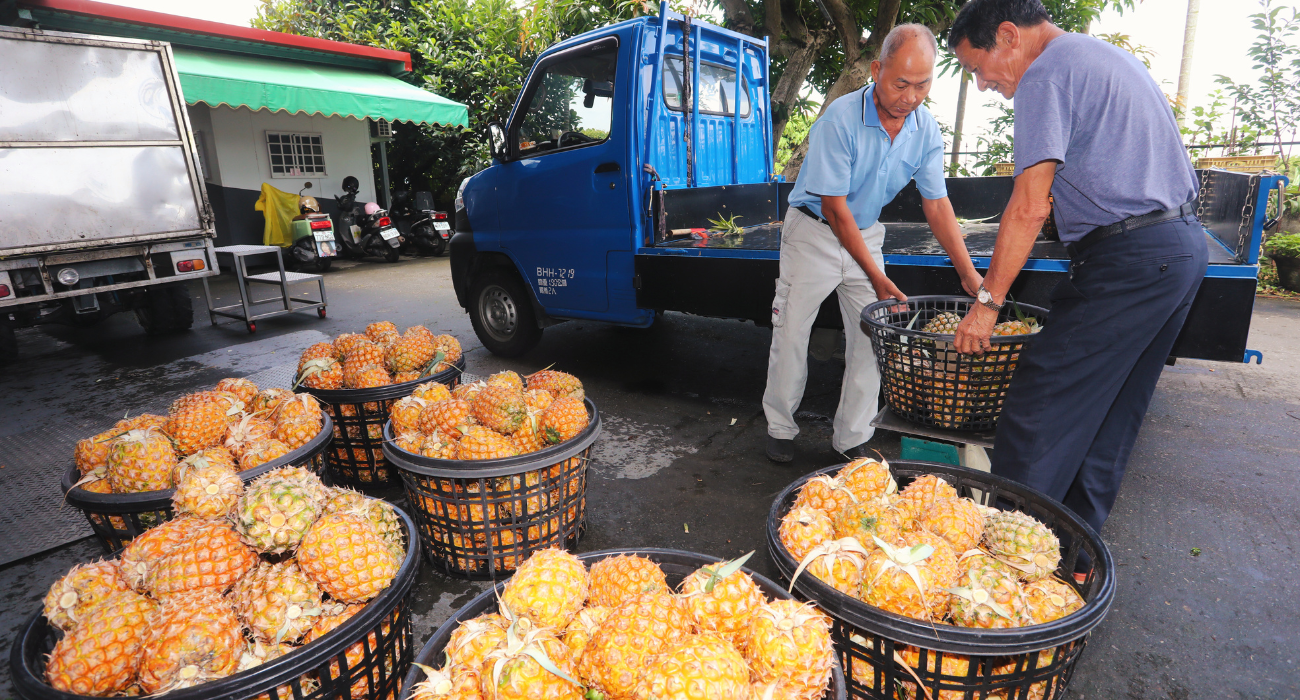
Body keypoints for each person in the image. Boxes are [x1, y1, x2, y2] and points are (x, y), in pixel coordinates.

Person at [947, 0, 1207, 577]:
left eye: (977, 67)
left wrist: (986, 305)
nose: (984, 84)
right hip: (1179, 250)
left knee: (1042, 401)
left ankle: (997, 574)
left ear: (1009, 36)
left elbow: (1029, 204)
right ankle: (1071, 561)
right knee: (1111, 414)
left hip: (1130, 259)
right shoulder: (1101, 57)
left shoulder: (1046, 73)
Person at [764, 24, 983, 464]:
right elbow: (834, 210)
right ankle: (780, 428)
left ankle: (851, 437)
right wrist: (878, 276)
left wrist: (969, 273)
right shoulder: (840, 120)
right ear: (876, 69)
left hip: (866, 234)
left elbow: (937, 205)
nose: (910, 96)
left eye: (922, 85)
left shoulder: (925, 131)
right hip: (814, 234)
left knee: (872, 339)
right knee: (792, 333)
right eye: (901, 83)